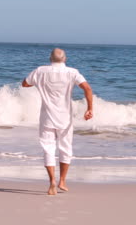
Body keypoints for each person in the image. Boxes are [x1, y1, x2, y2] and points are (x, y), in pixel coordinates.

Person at [22, 48, 93, 195]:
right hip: (65, 117)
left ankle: (52, 182)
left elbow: (25, 84)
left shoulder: (40, 71)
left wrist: (38, 83)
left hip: (47, 116)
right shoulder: (72, 72)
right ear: (65, 59)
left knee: (48, 148)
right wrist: (89, 108)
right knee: (65, 148)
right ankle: (62, 181)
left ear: (50, 58)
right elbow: (87, 88)